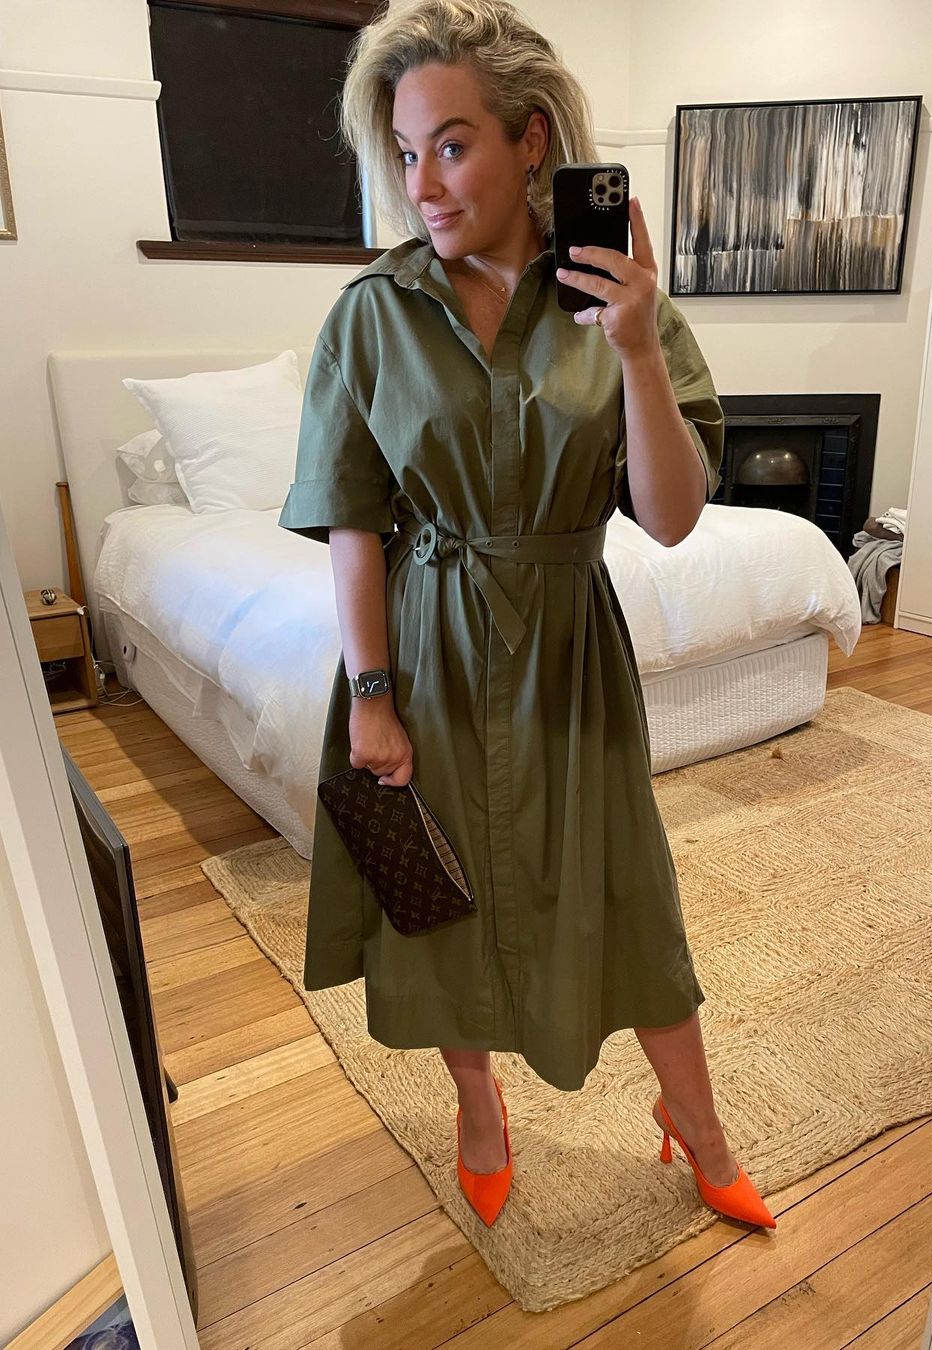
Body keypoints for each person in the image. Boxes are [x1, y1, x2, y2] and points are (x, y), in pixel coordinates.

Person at [278, 0, 775, 1232]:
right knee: (438, 896)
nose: (422, 185)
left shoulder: (620, 300)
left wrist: (640, 350)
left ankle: (700, 1125)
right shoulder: (374, 315)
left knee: (626, 893)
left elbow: (672, 519)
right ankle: (479, 1106)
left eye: (452, 146)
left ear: (531, 139)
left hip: (567, 648)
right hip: (424, 648)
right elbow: (353, 521)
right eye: (406, 152)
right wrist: (373, 699)